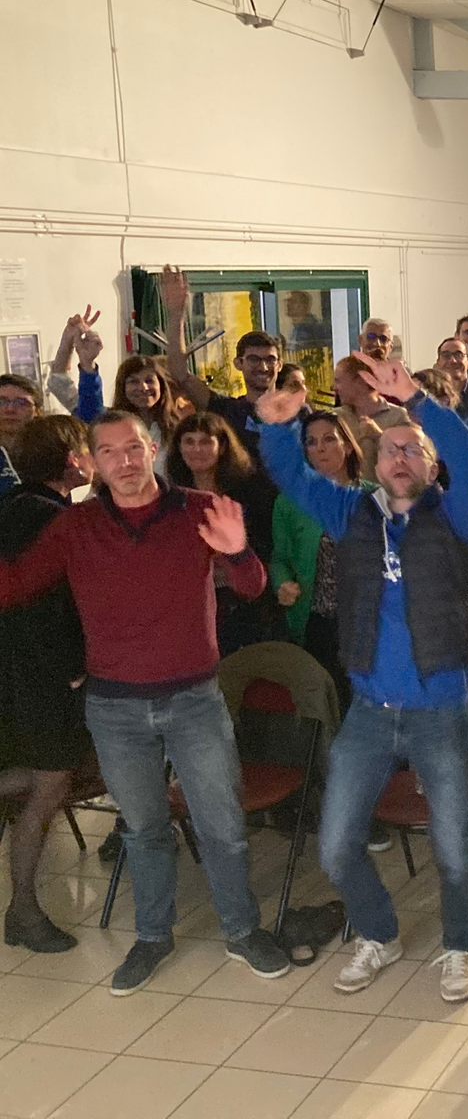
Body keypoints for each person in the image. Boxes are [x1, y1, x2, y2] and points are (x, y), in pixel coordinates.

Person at [0, 408, 286, 992]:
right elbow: (19, 585)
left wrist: (238, 552)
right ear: (91, 462)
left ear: (152, 448)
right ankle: (153, 936)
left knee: (222, 826)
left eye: (132, 448)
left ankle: (241, 931)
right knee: (144, 829)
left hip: (194, 700)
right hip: (115, 709)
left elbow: (254, 587)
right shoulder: (76, 525)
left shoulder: (200, 509)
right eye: (107, 452)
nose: (124, 461)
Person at [255, 354, 468, 1002]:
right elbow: (290, 474)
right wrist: (276, 425)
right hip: (369, 711)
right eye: (390, 450)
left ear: (431, 465)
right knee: (335, 846)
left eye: (414, 450)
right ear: (374, 461)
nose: (401, 458)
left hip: (441, 709)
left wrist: (417, 402)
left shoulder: (456, 516)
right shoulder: (351, 513)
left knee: (454, 847)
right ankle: (380, 934)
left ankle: (458, 946)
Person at [0, 416, 95, 952]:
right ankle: (24, 912)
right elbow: (46, 606)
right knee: (48, 787)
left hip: (19, 672)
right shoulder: (49, 516)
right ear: (70, 459)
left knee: (46, 777)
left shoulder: (16, 505)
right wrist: (72, 666)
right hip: (43, 676)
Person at [270, 410, 366, 711]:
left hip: (367, 625)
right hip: (316, 622)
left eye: (329, 439)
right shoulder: (290, 501)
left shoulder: (375, 499)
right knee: (322, 708)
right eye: (311, 442)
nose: (320, 448)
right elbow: (279, 558)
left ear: (347, 445)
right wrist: (282, 583)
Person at [168, 411, 280, 653]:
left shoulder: (250, 491)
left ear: (222, 447)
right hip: (192, 608)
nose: (197, 449)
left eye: (205, 441)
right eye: (189, 441)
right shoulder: (169, 499)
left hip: (243, 605)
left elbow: (267, 544)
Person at [160, 267, 281, 459]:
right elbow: (180, 374)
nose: (263, 367)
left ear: (280, 365)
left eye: (270, 359)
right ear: (238, 363)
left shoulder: (299, 413)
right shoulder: (226, 410)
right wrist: (176, 314)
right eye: (254, 359)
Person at [333, 354, 410, 479]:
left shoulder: (398, 416)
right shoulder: (336, 418)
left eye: (338, 381)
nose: (334, 388)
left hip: (386, 488)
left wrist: (380, 435)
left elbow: (410, 455)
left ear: (360, 381)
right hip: (349, 489)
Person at [110, 355, 190, 476]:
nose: (143, 387)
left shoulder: (178, 428)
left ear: (161, 385)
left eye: (149, 381)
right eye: (134, 381)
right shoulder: (110, 427)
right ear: (122, 387)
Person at [0, 374, 44, 496]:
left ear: (37, 412)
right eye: (1, 402)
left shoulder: (49, 452)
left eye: (21, 403)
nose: (10, 409)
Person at [436, 336, 468, 416]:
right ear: (438, 362)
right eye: (446, 355)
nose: (453, 361)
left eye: (458, 355)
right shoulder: (431, 394)